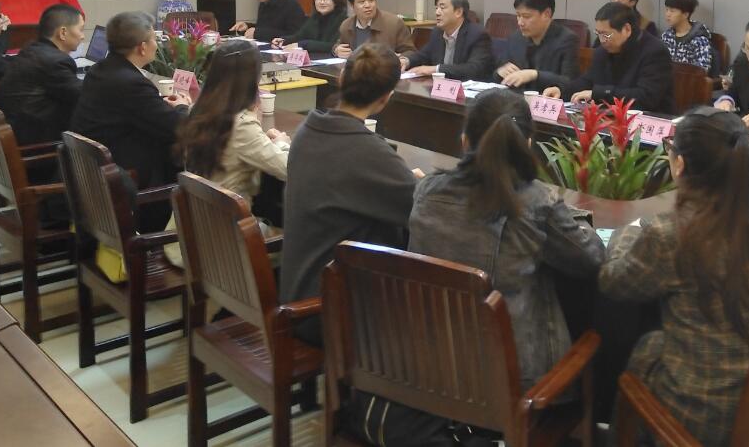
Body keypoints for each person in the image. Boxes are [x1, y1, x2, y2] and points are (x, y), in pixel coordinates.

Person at [600, 107, 749, 447]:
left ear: (680, 165)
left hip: (710, 420)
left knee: (647, 346)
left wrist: (630, 227)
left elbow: (614, 281)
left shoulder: (674, 231)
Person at [408, 88, 604, 391]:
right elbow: (591, 259)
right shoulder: (537, 201)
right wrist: (573, 216)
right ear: (528, 144)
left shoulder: (427, 190)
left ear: (464, 141)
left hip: (430, 364)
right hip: (510, 379)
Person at [279, 44, 423, 345]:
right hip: (328, 310)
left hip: (298, 290)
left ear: (341, 78)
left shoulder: (308, 129)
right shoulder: (368, 152)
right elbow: (423, 209)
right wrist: (418, 183)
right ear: (386, 98)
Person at [166, 39, 289, 267]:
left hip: (191, 235)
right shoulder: (241, 124)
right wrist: (281, 143)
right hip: (225, 247)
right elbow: (289, 169)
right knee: (301, 241)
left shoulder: (198, 111)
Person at [70, 12, 191, 194]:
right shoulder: (132, 83)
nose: (156, 45)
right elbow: (179, 128)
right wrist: (183, 107)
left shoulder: (99, 69)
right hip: (126, 179)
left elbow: (136, 109)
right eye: (154, 39)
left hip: (95, 171)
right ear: (142, 47)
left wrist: (159, 104)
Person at [543, 2, 674, 113]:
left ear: (627, 29)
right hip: (609, 117)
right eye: (598, 34)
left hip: (648, 122)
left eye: (606, 35)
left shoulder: (655, 51)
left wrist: (599, 93)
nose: (602, 40)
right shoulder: (603, 51)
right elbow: (587, 81)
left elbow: (646, 97)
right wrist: (561, 90)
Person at [0, 3, 85, 146]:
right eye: (81, 29)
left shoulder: (31, 49)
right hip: (34, 145)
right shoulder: (55, 61)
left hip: (12, 134)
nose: (83, 36)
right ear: (63, 33)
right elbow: (85, 97)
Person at [493, 0, 579, 90]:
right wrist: (500, 72)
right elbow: (497, 72)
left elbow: (570, 83)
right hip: (516, 97)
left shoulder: (566, 40)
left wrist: (535, 75)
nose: (520, 22)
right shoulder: (516, 37)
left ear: (546, 14)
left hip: (546, 97)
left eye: (526, 16)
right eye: (518, 15)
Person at [401, 0, 494, 80]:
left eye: (442, 8)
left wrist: (435, 69)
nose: (437, 13)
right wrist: (407, 61)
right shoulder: (437, 32)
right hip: (440, 87)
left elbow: (474, 69)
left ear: (458, 12)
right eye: (436, 8)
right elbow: (424, 55)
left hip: (467, 87)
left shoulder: (477, 34)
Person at [332, 0, 416, 58]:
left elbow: (411, 52)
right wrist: (336, 50)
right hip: (356, 68)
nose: (368, 5)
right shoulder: (346, 25)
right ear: (351, 5)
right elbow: (339, 45)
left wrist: (400, 58)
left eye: (371, 0)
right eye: (362, 2)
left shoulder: (394, 23)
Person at [272, 0, 348, 52]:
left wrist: (304, 44)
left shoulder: (342, 20)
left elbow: (333, 46)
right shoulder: (315, 18)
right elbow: (299, 37)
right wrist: (283, 40)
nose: (322, 2)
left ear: (335, 2)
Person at [660, 0, 712, 71]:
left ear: (685, 14)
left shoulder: (699, 40)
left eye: (672, 11)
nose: (667, 14)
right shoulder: (666, 36)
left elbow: (702, 70)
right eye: (667, 10)